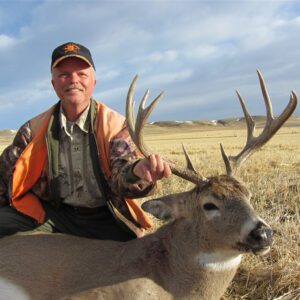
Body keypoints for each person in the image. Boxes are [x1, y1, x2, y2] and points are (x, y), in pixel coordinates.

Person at [0, 42, 172, 241]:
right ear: (54, 84)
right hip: (53, 215)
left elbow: (122, 174)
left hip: (105, 217)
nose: (73, 80)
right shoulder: (33, 130)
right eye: (64, 75)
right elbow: (4, 176)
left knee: (136, 257)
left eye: (82, 74)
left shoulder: (115, 126)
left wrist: (135, 173)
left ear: (94, 82)